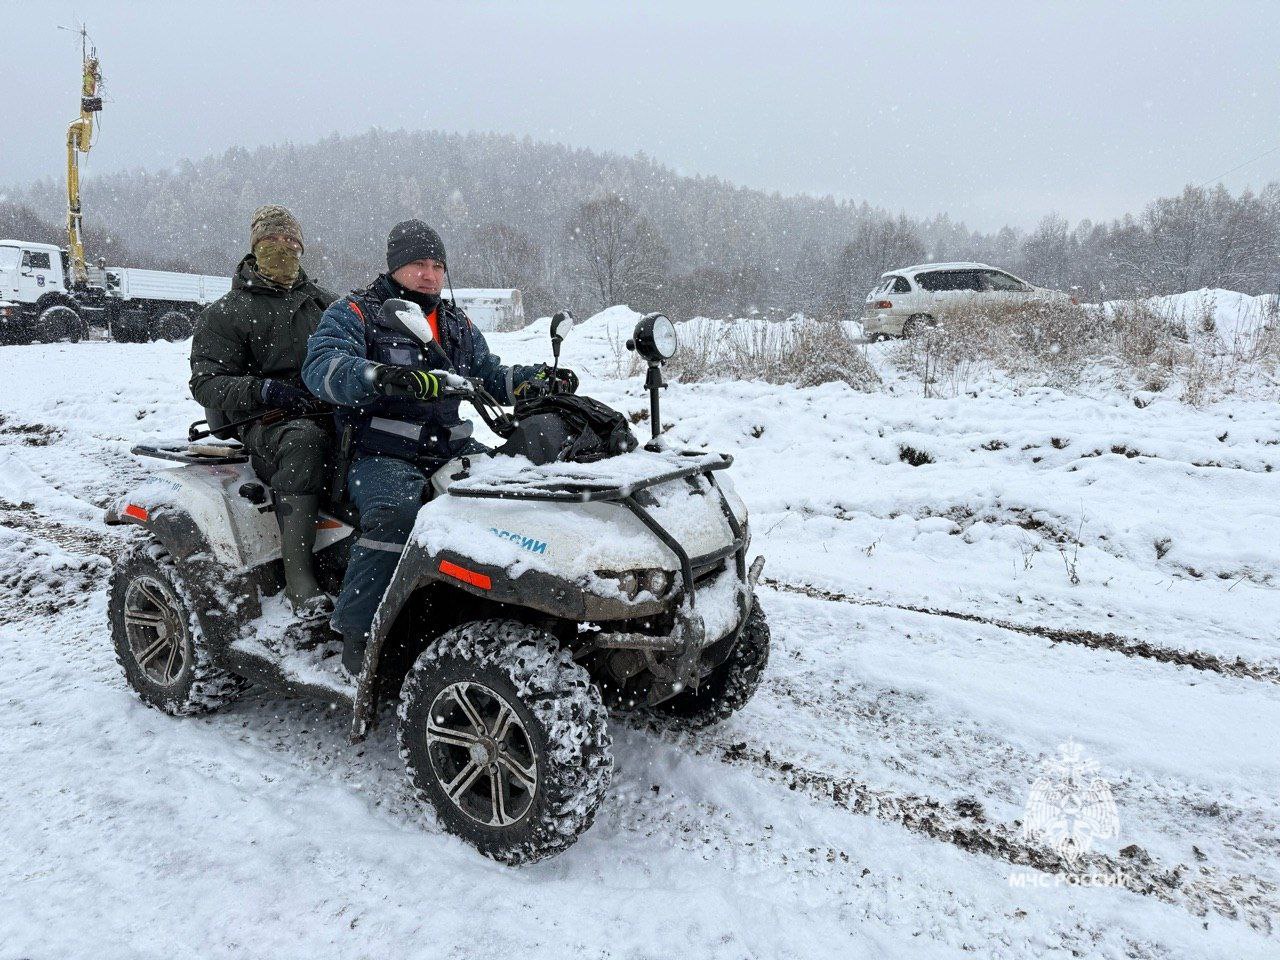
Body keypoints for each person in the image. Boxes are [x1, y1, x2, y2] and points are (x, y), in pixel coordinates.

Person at [302, 219, 577, 674]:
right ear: (395, 266)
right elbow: (323, 368)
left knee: (519, 499)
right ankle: (359, 633)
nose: (429, 275)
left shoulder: (453, 321)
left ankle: (502, 609)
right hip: (380, 453)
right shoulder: (356, 312)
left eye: (437, 265)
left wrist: (531, 380)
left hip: (450, 449)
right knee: (397, 517)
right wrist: (379, 375)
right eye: (417, 264)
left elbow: (487, 372)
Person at [190, 205, 338, 617]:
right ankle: (298, 576)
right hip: (261, 420)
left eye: (291, 242)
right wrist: (265, 390)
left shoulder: (325, 304)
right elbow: (205, 383)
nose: (284, 250)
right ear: (255, 247)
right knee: (303, 441)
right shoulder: (226, 312)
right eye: (273, 243)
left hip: (325, 407)